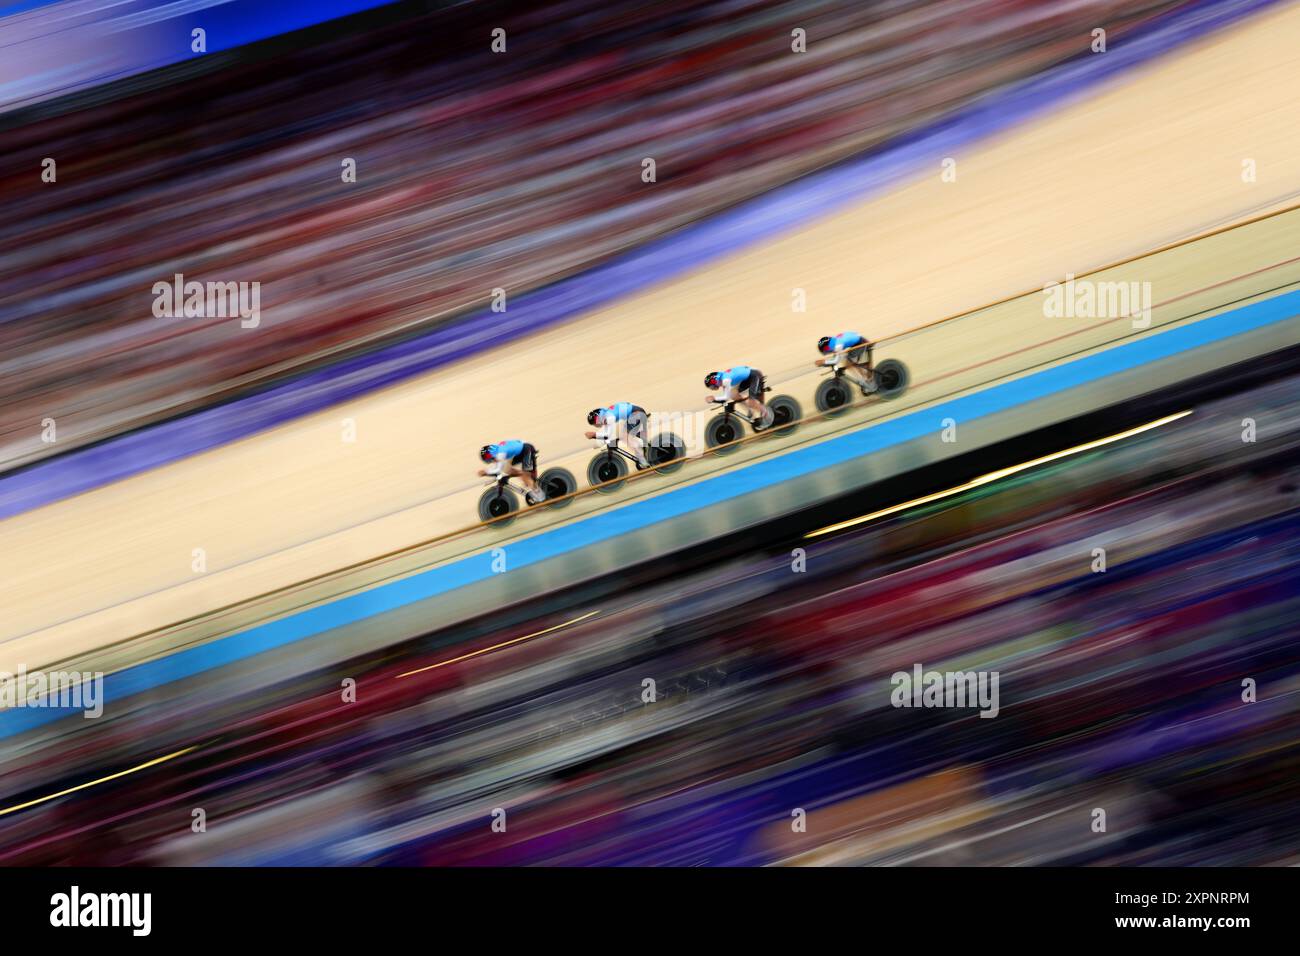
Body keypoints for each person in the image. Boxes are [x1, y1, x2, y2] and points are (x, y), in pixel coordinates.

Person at [586, 402, 651, 468]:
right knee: (622, 433)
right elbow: (607, 434)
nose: (596, 425)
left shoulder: (609, 417)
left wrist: (594, 435)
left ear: (598, 418)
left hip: (637, 413)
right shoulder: (605, 416)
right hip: (635, 413)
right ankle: (642, 448)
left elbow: (607, 435)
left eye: (595, 423)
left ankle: (643, 462)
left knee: (626, 437)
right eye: (594, 424)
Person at [478, 439, 545, 503]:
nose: (491, 461)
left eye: (490, 460)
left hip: (527, 450)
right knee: (507, 470)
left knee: (525, 477)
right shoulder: (497, 450)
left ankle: (541, 496)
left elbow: (498, 469)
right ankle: (524, 476)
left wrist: (486, 472)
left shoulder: (501, 453)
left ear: (492, 455)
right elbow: (498, 467)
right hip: (522, 450)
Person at [704, 365, 772, 427]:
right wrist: (715, 399)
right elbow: (727, 396)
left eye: (712, 387)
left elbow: (726, 397)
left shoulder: (725, 380)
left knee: (751, 402)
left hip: (755, 375)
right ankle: (750, 410)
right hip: (748, 377)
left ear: (715, 381)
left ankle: (767, 415)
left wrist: (713, 398)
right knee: (733, 395)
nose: (713, 389)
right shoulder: (723, 378)